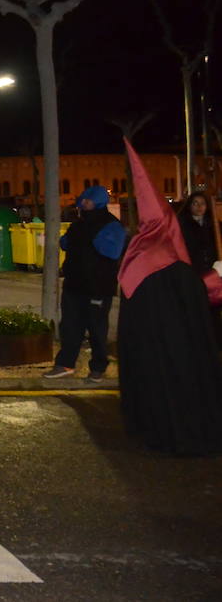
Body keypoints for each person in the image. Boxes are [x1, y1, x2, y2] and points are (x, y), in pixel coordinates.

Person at [116, 140, 222, 455]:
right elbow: (192, 295)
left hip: (147, 343)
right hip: (176, 342)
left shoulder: (137, 249)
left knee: (155, 384)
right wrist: (215, 278)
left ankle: (151, 427)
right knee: (178, 386)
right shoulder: (166, 253)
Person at [45, 185, 126, 380]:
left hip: (98, 287)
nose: (83, 203)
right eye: (83, 200)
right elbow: (65, 243)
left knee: (97, 329)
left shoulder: (111, 225)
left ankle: (98, 368)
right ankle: (65, 364)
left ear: (97, 201)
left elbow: (113, 251)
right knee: (70, 327)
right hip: (74, 285)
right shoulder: (79, 224)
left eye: (87, 200)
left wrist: (92, 239)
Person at [177, 191, 217, 277]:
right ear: (189, 206)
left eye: (203, 203)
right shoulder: (183, 225)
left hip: (212, 267)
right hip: (192, 268)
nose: (199, 207)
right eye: (195, 203)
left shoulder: (213, 224)